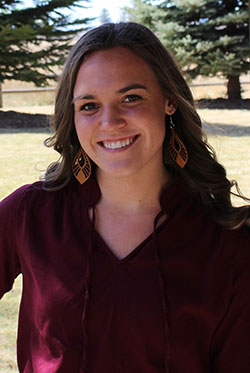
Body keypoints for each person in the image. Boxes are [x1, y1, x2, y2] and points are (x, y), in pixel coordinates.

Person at [0, 22, 250, 373]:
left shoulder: (229, 241)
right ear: (71, 116)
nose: (109, 121)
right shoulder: (30, 215)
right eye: (88, 105)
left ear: (169, 101)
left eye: (131, 98)